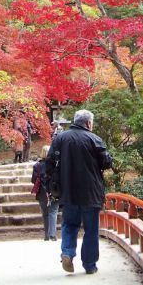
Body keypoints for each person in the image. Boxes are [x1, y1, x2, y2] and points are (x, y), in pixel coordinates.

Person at [46, 110, 113, 275]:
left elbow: (49, 163)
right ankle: (89, 265)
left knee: (70, 224)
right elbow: (106, 162)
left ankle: (67, 253)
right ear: (89, 123)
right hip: (91, 192)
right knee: (91, 230)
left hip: (68, 192)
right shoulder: (94, 139)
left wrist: (52, 186)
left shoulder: (60, 138)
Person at [31, 145, 59, 241]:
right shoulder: (55, 164)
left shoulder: (37, 165)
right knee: (53, 212)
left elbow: (33, 180)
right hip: (53, 191)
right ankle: (53, 234)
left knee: (45, 214)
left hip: (42, 192)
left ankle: (47, 235)